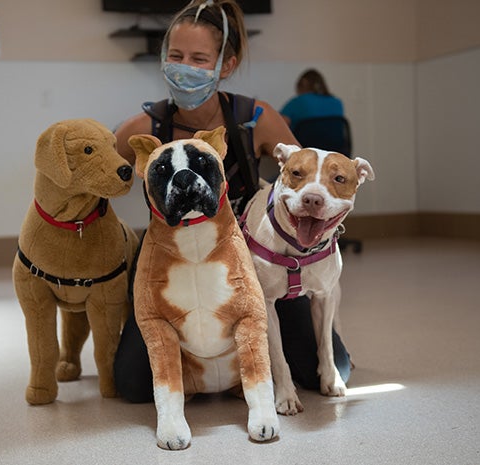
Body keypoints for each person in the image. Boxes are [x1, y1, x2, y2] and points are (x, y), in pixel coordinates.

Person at [113, 0, 351, 403]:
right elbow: (96, 182)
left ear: (226, 64)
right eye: (175, 56)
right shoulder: (143, 128)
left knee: (329, 371)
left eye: (199, 58)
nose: (184, 66)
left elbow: (304, 177)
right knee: (134, 385)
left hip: (249, 265)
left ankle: (240, 363)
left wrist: (318, 237)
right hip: (172, 264)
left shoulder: (253, 118)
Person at [279, 68, 344, 129]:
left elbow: (279, 127)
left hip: (302, 141)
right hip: (334, 141)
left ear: (304, 83)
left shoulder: (299, 102)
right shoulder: (337, 102)